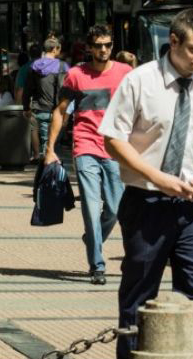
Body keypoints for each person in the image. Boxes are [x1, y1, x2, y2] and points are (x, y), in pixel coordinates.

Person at [99, 8, 193, 359]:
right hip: (148, 201)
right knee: (140, 290)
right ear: (173, 42)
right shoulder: (139, 81)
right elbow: (113, 139)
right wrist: (156, 177)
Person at [46, 26, 131, 285]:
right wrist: (50, 150)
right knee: (91, 209)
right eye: (98, 45)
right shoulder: (75, 76)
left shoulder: (125, 74)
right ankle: (97, 265)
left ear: (112, 45)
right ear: (90, 48)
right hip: (85, 148)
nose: (103, 50)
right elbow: (60, 112)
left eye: (107, 44)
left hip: (115, 148)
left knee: (115, 210)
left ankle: (92, 238)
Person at [26, 37, 67, 170]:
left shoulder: (34, 66)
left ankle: (46, 169)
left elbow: (28, 89)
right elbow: (62, 89)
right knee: (53, 144)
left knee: (46, 142)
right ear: (55, 49)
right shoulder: (61, 66)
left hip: (38, 110)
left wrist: (26, 107)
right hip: (56, 111)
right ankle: (49, 174)